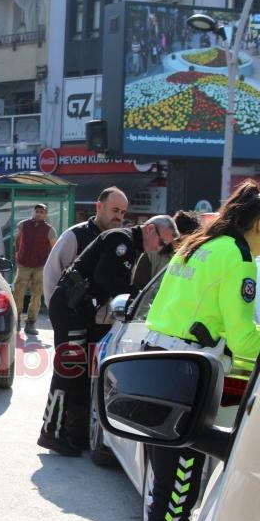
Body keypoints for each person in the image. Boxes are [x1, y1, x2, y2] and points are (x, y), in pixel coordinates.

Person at [142, 181, 260, 521]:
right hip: (187, 379)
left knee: (162, 491)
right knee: (179, 495)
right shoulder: (237, 257)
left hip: (157, 365)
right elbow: (243, 339)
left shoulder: (198, 244)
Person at [38, 215, 179, 456]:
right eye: (162, 242)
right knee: (69, 370)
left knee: (76, 373)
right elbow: (106, 277)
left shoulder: (130, 247)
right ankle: (51, 432)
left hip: (77, 310)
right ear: (150, 229)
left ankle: (66, 433)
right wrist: (135, 294)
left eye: (165, 246)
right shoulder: (120, 240)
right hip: (69, 308)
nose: (160, 248)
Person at [43, 187, 129, 305]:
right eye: (115, 210)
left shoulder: (121, 241)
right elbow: (51, 274)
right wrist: (57, 312)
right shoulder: (75, 235)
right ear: (99, 207)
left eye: (123, 212)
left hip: (110, 319)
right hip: (74, 318)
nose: (119, 216)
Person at [13, 204, 57, 335]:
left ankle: (31, 323)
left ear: (45, 215)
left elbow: (54, 248)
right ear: (33, 212)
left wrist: (50, 265)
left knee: (37, 295)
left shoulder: (50, 230)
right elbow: (18, 241)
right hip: (24, 265)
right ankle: (16, 321)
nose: (38, 213)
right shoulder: (23, 225)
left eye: (41, 212)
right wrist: (18, 255)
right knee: (18, 293)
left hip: (40, 266)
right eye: (37, 211)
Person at [132, 210, 200, 289]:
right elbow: (138, 289)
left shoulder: (201, 261)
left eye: (189, 242)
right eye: (179, 241)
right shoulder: (151, 255)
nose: (183, 246)